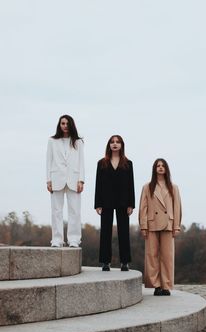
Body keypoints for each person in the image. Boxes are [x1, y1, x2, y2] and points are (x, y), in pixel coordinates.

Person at [139, 158, 181, 296]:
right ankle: (156, 285)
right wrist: (143, 226)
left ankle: (166, 286)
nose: (161, 168)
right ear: (154, 169)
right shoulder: (147, 187)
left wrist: (176, 226)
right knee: (152, 255)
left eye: (163, 166)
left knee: (167, 256)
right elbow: (143, 208)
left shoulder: (173, 187)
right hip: (152, 224)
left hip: (168, 224)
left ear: (166, 169)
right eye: (158, 166)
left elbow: (177, 207)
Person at [94, 135, 135, 271]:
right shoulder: (101, 163)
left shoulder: (128, 164)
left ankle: (125, 262)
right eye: (112, 142)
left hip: (123, 202)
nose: (115, 144)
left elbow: (131, 185)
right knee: (105, 231)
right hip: (106, 201)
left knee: (124, 232)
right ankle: (105, 262)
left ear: (122, 145)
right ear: (109, 145)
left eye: (118, 142)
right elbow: (98, 184)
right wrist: (97, 204)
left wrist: (131, 204)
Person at [46, 114, 85, 247]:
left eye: (67, 123)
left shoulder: (78, 141)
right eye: (63, 123)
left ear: (71, 125)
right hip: (56, 178)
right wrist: (48, 180)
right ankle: (57, 240)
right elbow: (48, 161)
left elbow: (81, 162)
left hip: (74, 179)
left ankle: (74, 240)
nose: (65, 126)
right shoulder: (52, 141)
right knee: (56, 210)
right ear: (59, 125)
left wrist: (81, 180)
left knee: (74, 210)